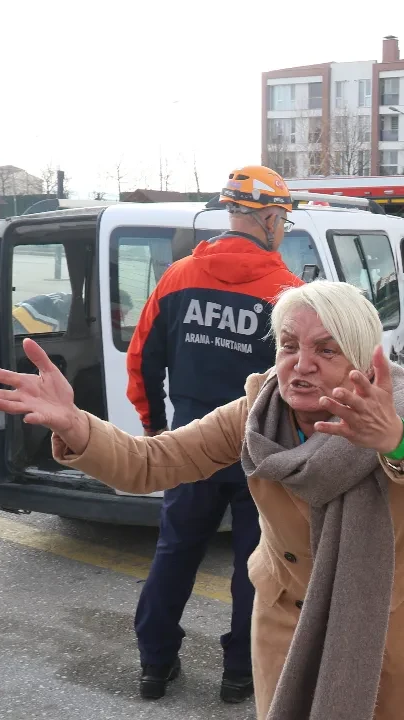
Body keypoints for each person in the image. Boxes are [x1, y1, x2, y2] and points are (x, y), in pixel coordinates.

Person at [0, 281, 404, 720]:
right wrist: (75, 423)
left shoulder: (399, 412)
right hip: (287, 617)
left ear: (361, 358)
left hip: (388, 619)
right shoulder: (258, 414)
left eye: (327, 350)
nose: (302, 364)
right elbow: (150, 463)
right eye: (289, 346)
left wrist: (394, 439)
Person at [123, 165, 304, 703]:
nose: (284, 228)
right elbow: (300, 381)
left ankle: (154, 666)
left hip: (190, 447)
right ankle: (240, 674)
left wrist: (158, 433)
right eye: (283, 219)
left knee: (174, 552)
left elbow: (142, 361)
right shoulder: (289, 294)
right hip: (260, 452)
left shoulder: (177, 277)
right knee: (258, 564)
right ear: (269, 218)